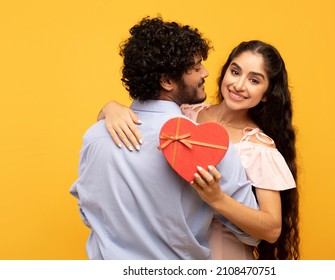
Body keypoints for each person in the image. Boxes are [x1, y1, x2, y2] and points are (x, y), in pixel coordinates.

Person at [70, 16, 260, 260]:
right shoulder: (210, 144)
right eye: (195, 67)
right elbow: (250, 234)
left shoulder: (95, 136)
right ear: (167, 81)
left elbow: (87, 211)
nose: (205, 72)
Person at [98, 40, 300, 259]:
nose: (239, 85)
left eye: (254, 80)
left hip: (223, 253)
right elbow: (137, 128)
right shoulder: (184, 114)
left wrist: (217, 199)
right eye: (235, 72)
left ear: (267, 93)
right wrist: (109, 108)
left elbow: (272, 230)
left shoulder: (259, 148)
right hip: (168, 248)